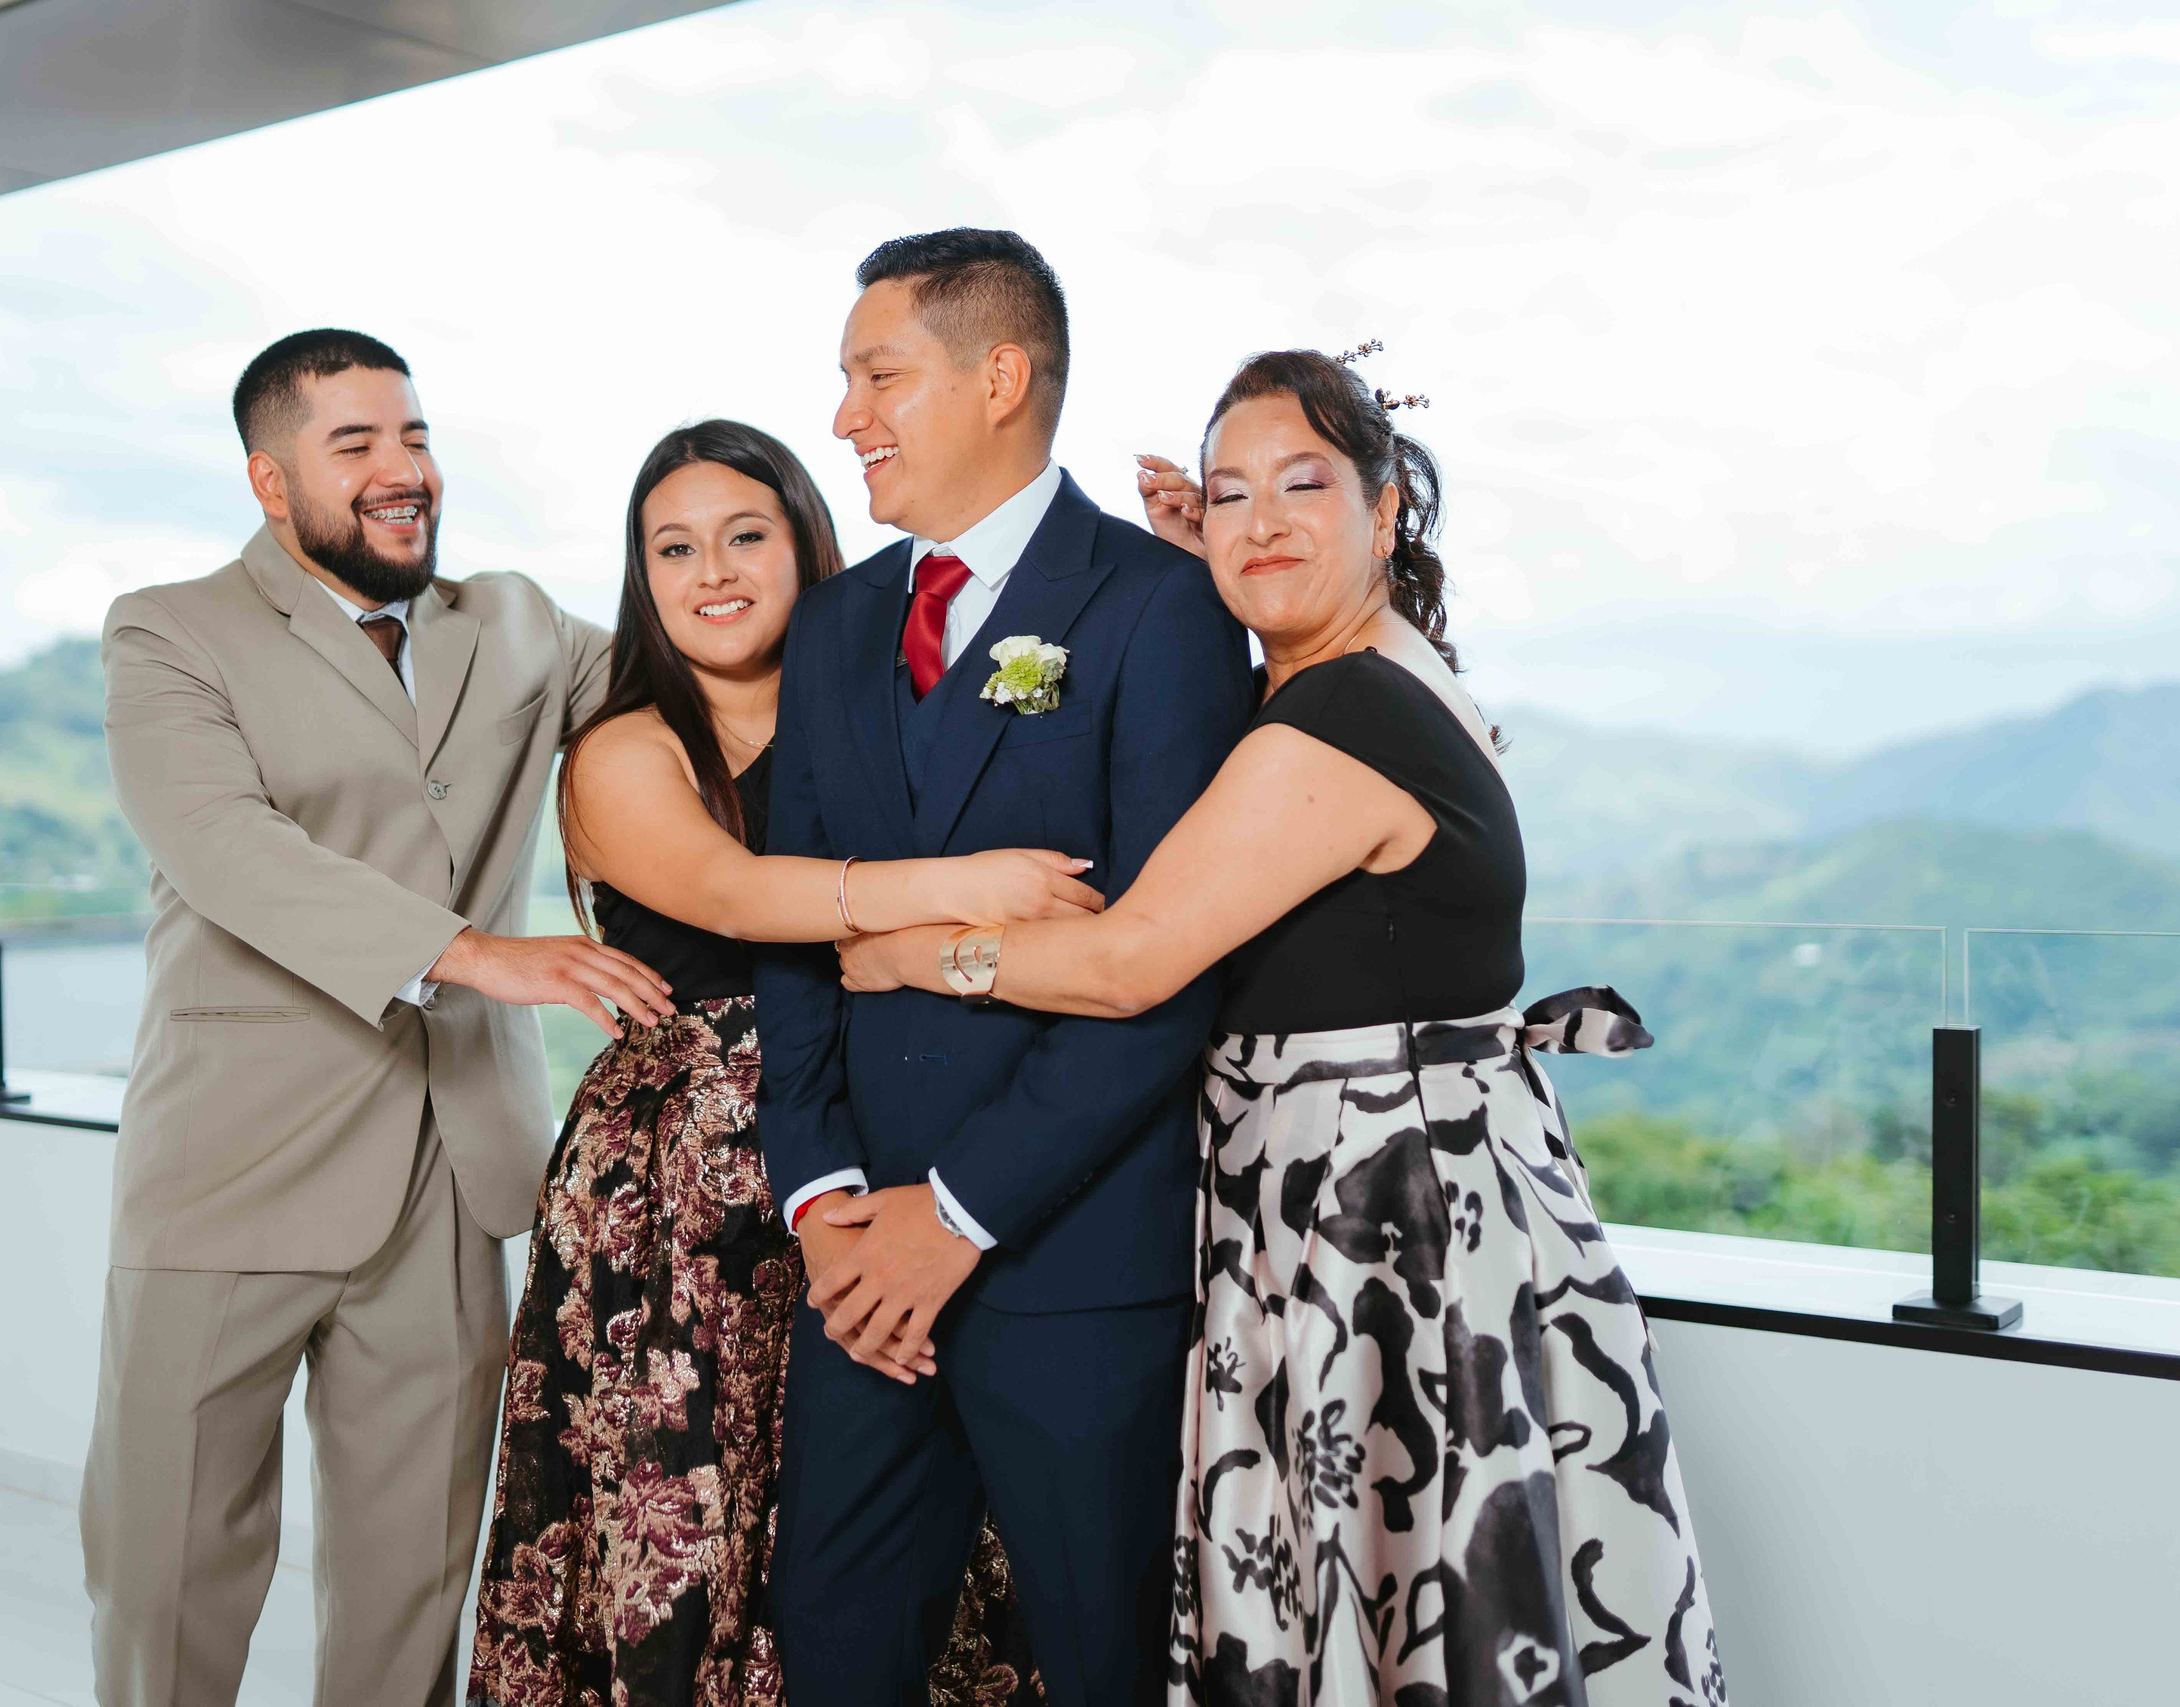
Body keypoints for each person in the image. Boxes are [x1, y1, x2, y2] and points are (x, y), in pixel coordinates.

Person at [839, 348, 1726, 1706]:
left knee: (1405, 1589)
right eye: (1228, 492)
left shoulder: (1341, 718)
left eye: (1304, 486)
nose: (1259, 519)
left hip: (1380, 1226)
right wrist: (1234, 570)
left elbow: (1133, 960)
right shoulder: (1390, 668)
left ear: (1388, 511)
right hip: (1423, 1195)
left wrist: (923, 948)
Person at [83, 329, 674, 1707]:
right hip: (229, 1173)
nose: (403, 470)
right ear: (269, 481)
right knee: (167, 1573)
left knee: (411, 1584)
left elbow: (708, 663)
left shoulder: (516, 622)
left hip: (451, 1182)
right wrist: (480, 952)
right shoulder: (170, 630)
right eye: (355, 445)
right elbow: (231, 851)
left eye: (412, 436)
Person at [468, 419, 1094, 1704]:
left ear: (809, 544)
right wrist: (960, 885)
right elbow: (739, 894)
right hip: (676, 1214)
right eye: (674, 548)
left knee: (877, 1551)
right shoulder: (626, 748)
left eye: (745, 535)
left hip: (874, 1161)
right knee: (686, 1524)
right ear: (641, 579)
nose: (713, 571)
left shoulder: (887, 709)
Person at [755, 230, 1254, 1705]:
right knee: (833, 1631)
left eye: (877, 375)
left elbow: (1166, 967)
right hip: (859, 1273)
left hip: (1066, 1258)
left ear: (999, 375)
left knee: (1101, 1660)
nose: (846, 417)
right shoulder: (840, 621)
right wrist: (826, 1195)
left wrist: (958, 1214)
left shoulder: (1160, 608)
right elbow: (798, 922)